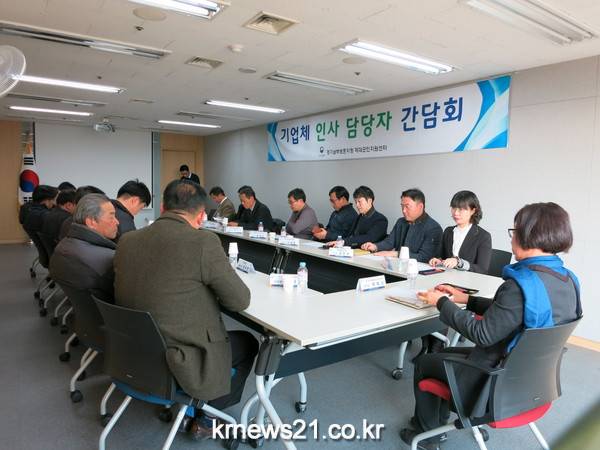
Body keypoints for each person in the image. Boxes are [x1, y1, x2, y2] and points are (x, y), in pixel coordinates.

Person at [401, 202, 582, 450]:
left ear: (530, 235)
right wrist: (464, 299)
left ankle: (427, 434)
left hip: (494, 380)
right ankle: (436, 424)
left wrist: (441, 302)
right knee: (445, 354)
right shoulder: (568, 280)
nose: (512, 237)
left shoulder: (519, 285)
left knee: (425, 362)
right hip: (532, 379)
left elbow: (482, 334)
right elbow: (511, 314)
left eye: (515, 230)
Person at [114, 180, 258, 440]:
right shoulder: (203, 241)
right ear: (201, 214)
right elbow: (239, 301)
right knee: (248, 342)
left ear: (162, 207)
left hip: (133, 350)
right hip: (179, 358)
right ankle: (208, 416)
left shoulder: (127, 240)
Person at [49, 193, 119, 302]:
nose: (117, 222)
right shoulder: (109, 260)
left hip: (84, 310)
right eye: (111, 216)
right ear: (91, 222)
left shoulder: (62, 245)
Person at [361, 188, 442, 263]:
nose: (404, 210)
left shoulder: (433, 228)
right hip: (398, 266)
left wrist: (396, 254)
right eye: (402, 206)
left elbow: (424, 257)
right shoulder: (401, 222)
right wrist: (375, 246)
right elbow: (389, 242)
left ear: (420, 206)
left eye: (407, 206)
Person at [429, 191, 492, 274]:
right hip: (447, 277)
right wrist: (439, 261)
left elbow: (482, 269)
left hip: (468, 280)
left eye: (461, 209)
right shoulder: (448, 231)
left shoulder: (483, 236)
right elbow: (442, 257)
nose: (456, 213)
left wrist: (459, 263)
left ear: (473, 211)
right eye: (454, 208)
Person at [21, 185, 59, 265]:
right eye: (55, 199)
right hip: (53, 256)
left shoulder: (27, 210)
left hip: (45, 254)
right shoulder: (45, 217)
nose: (56, 202)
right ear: (47, 200)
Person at [40, 189, 76, 254]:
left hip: (54, 254)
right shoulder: (67, 220)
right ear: (68, 205)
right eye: (78, 205)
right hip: (63, 254)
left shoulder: (50, 213)